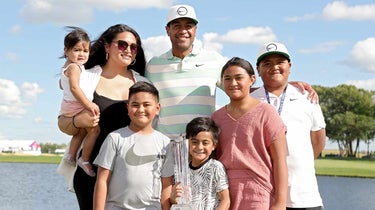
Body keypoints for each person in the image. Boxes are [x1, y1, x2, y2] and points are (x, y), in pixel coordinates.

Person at [146, 4, 318, 140]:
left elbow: (241, 88)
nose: (183, 30)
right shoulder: (153, 66)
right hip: (165, 146)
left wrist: (283, 86)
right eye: (177, 25)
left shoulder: (214, 60)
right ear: (167, 30)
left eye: (188, 25)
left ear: (195, 30)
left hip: (202, 148)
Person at [58, 24, 149, 210]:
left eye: (133, 47)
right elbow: (63, 121)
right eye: (122, 45)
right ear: (107, 47)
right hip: (90, 173)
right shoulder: (86, 77)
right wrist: (78, 121)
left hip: (131, 175)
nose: (128, 50)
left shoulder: (144, 83)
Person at [251, 41, 326, 210]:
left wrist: (297, 162)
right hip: (264, 197)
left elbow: (318, 140)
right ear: (258, 70)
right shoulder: (250, 100)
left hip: (305, 197)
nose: (274, 67)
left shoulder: (306, 97)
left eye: (280, 62)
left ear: (290, 66)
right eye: (267, 63)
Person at [211, 57, 288, 210]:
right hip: (223, 194)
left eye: (239, 78)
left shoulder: (266, 112)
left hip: (258, 193)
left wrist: (280, 203)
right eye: (227, 79)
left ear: (252, 79)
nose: (233, 83)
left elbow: (280, 160)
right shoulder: (216, 118)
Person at [93, 81, 173, 210]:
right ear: (128, 108)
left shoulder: (166, 143)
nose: (141, 110)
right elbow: (102, 181)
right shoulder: (115, 138)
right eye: (135, 105)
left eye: (146, 105)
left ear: (157, 108)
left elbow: (166, 185)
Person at [58, 26, 101, 177]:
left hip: (69, 106)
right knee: (94, 130)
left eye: (85, 51)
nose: (81, 54)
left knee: (82, 130)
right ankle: (84, 159)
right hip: (76, 106)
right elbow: (75, 88)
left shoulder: (67, 67)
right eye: (77, 50)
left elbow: (61, 84)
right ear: (66, 51)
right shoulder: (75, 67)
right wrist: (89, 104)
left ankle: (70, 156)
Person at [170, 117, 230, 210]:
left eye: (205, 143)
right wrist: (173, 198)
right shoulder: (182, 171)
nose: (199, 147)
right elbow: (177, 202)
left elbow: (225, 200)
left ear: (214, 145)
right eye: (194, 142)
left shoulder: (215, 167)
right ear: (187, 143)